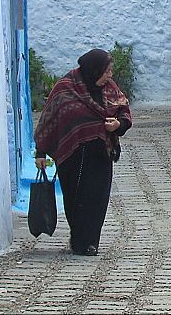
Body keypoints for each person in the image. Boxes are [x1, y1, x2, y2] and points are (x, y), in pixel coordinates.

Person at [34, 49, 132, 256]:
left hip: (100, 155)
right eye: (106, 71)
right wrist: (40, 152)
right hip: (72, 157)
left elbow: (123, 111)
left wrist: (118, 125)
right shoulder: (66, 88)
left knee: (97, 198)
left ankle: (90, 242)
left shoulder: (109, 88)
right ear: (94, 70)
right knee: (75, 198)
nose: (110, 75)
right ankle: (79, 239)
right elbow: (48, 119)